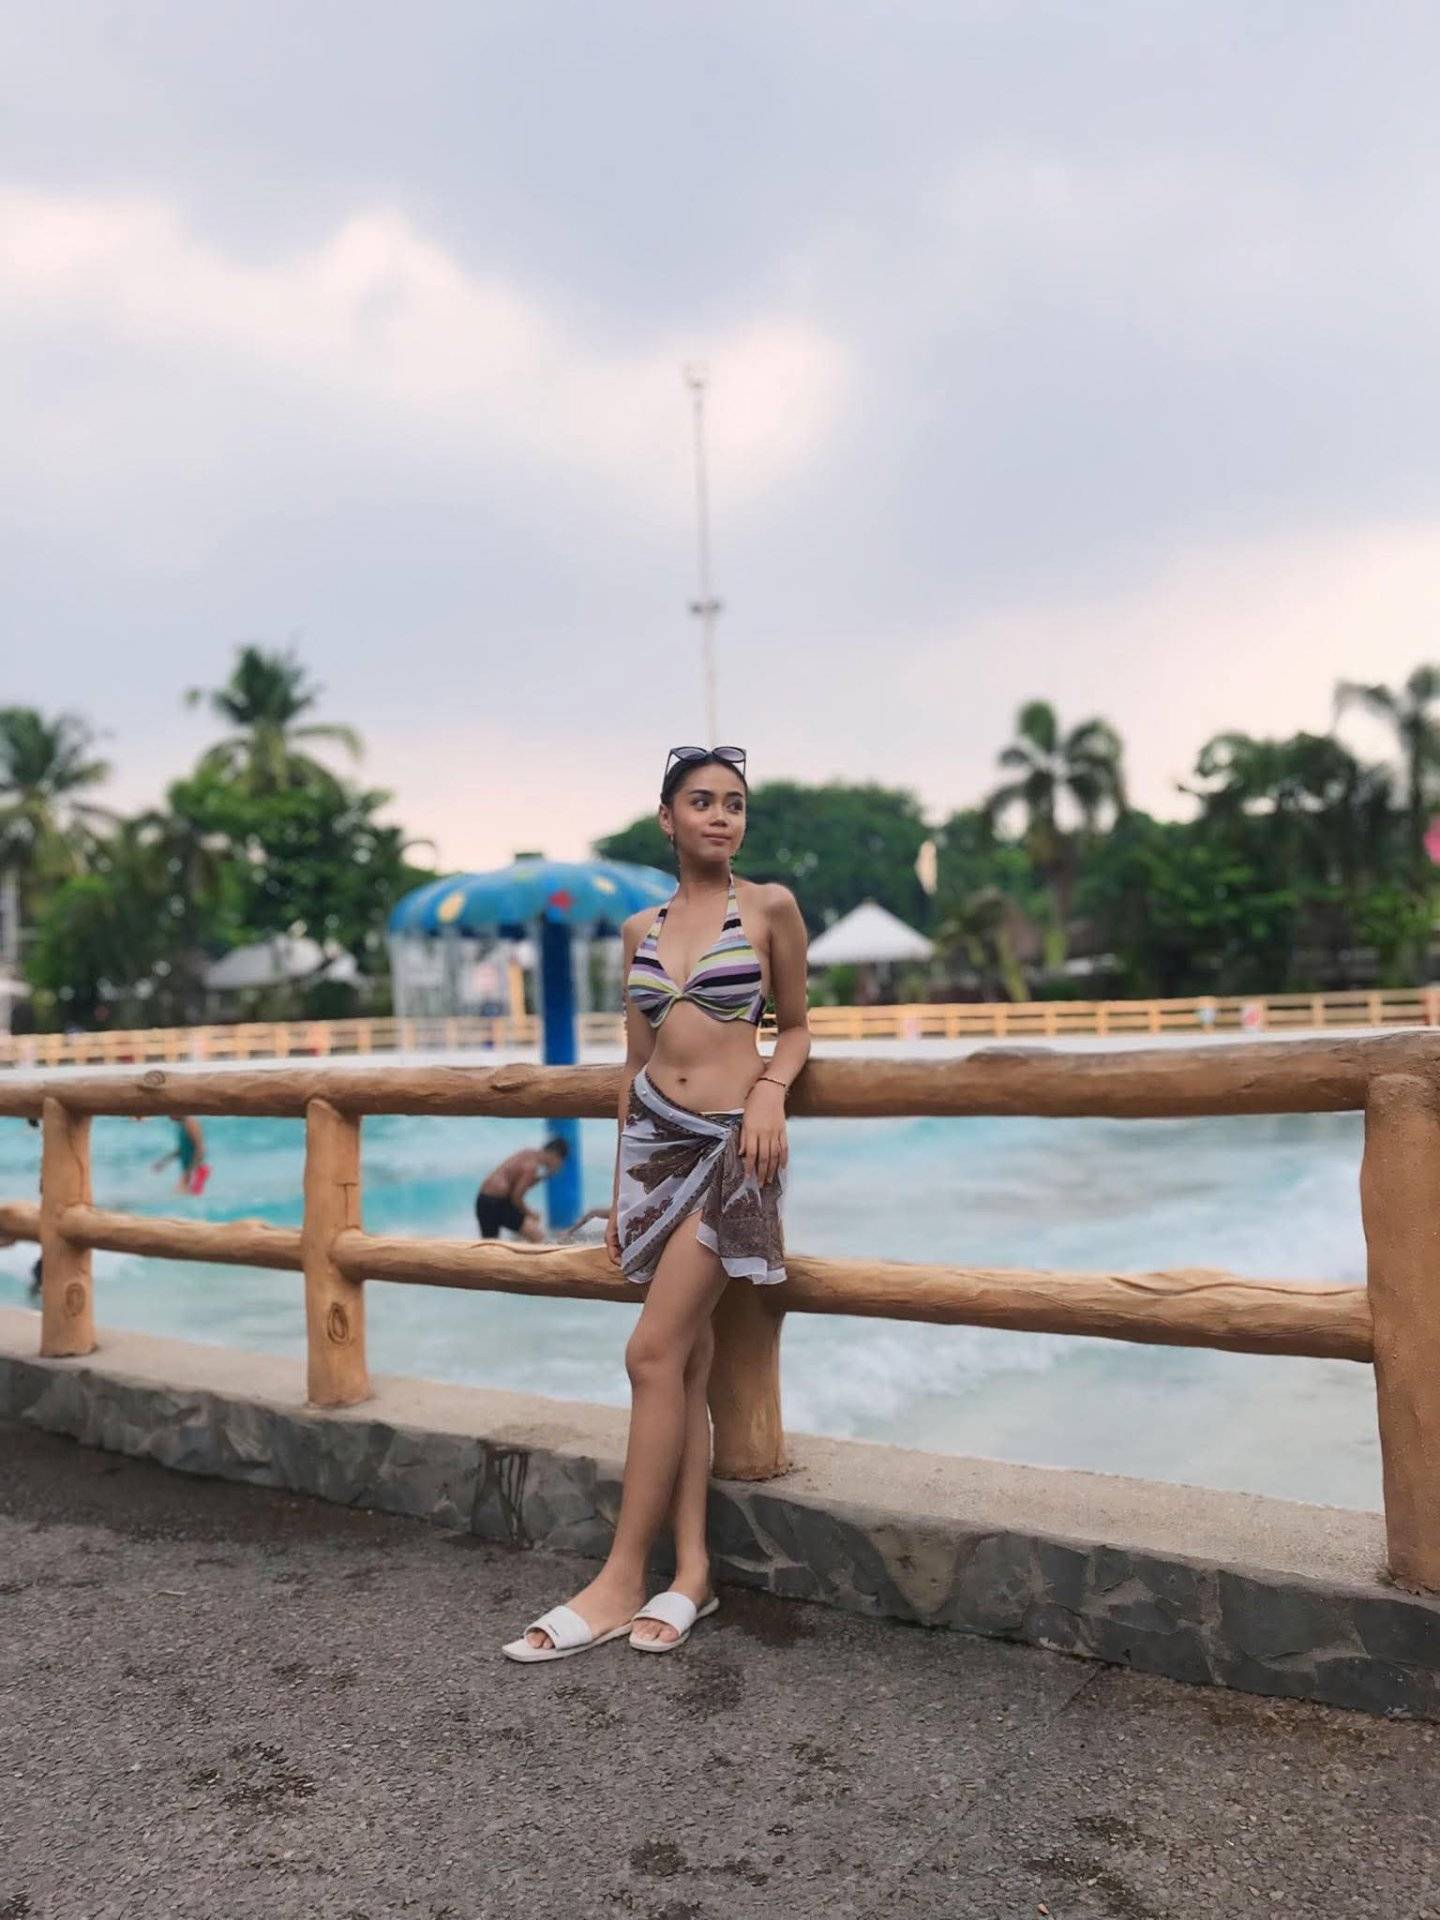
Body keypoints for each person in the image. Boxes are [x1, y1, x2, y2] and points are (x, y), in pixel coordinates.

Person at [503, 744, 811, 1662]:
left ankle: (619, 1577)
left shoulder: (770, 908)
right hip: (654, 1153)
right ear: (668, 818)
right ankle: (693, 1574)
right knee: (685, 1359)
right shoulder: (641, 927)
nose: (721, 816)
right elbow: (635, 1065)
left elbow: (796, 1028)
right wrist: (617, 1189)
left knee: (649, 1352)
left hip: (734, 1150)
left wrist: (770, 1090)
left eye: (735, 803)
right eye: (702, 801)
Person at [474, 1138, 569, 1243]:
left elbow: (517, 1184)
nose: (559, 1165)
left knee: (490, 1246)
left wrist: (547, 1175)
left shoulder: (528, 1153)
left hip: (483, 1201)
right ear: (555, 1156)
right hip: (496, 1203)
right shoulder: (532, 1166)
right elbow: (516, 1197)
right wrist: (530, 1212)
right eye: (560, 1162)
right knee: (537, 1236)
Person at [152, 1115, 211, 1196]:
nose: (168, 1116)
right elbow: (182, 1149)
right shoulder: (182, 1124)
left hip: (196, 1170)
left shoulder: (191, 1123)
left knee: (180, 1196)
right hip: (189, 1171)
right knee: (182, 1196)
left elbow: (200, 1149)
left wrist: (189, 1172)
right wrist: (164, 1162)